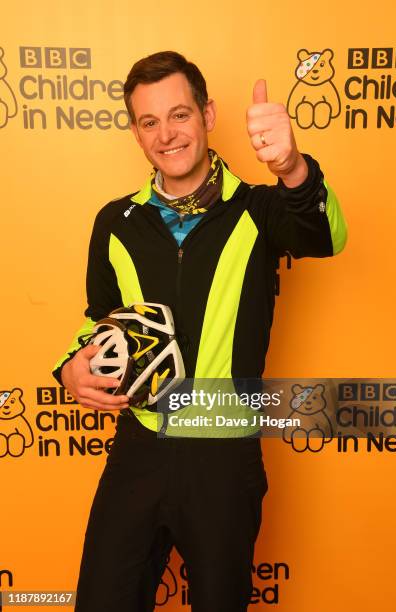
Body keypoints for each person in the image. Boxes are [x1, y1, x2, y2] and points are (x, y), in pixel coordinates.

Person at [53, 51, 347, 611]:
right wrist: (71, 364)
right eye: (149, 122)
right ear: (137, 133)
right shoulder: (116, 221)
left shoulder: (260, 209)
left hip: (224, 454)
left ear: (208, 114)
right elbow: (99, 318)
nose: (167, 134)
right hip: (139, 448)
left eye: (179, 114)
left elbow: (326, 237)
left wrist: (292, 169)